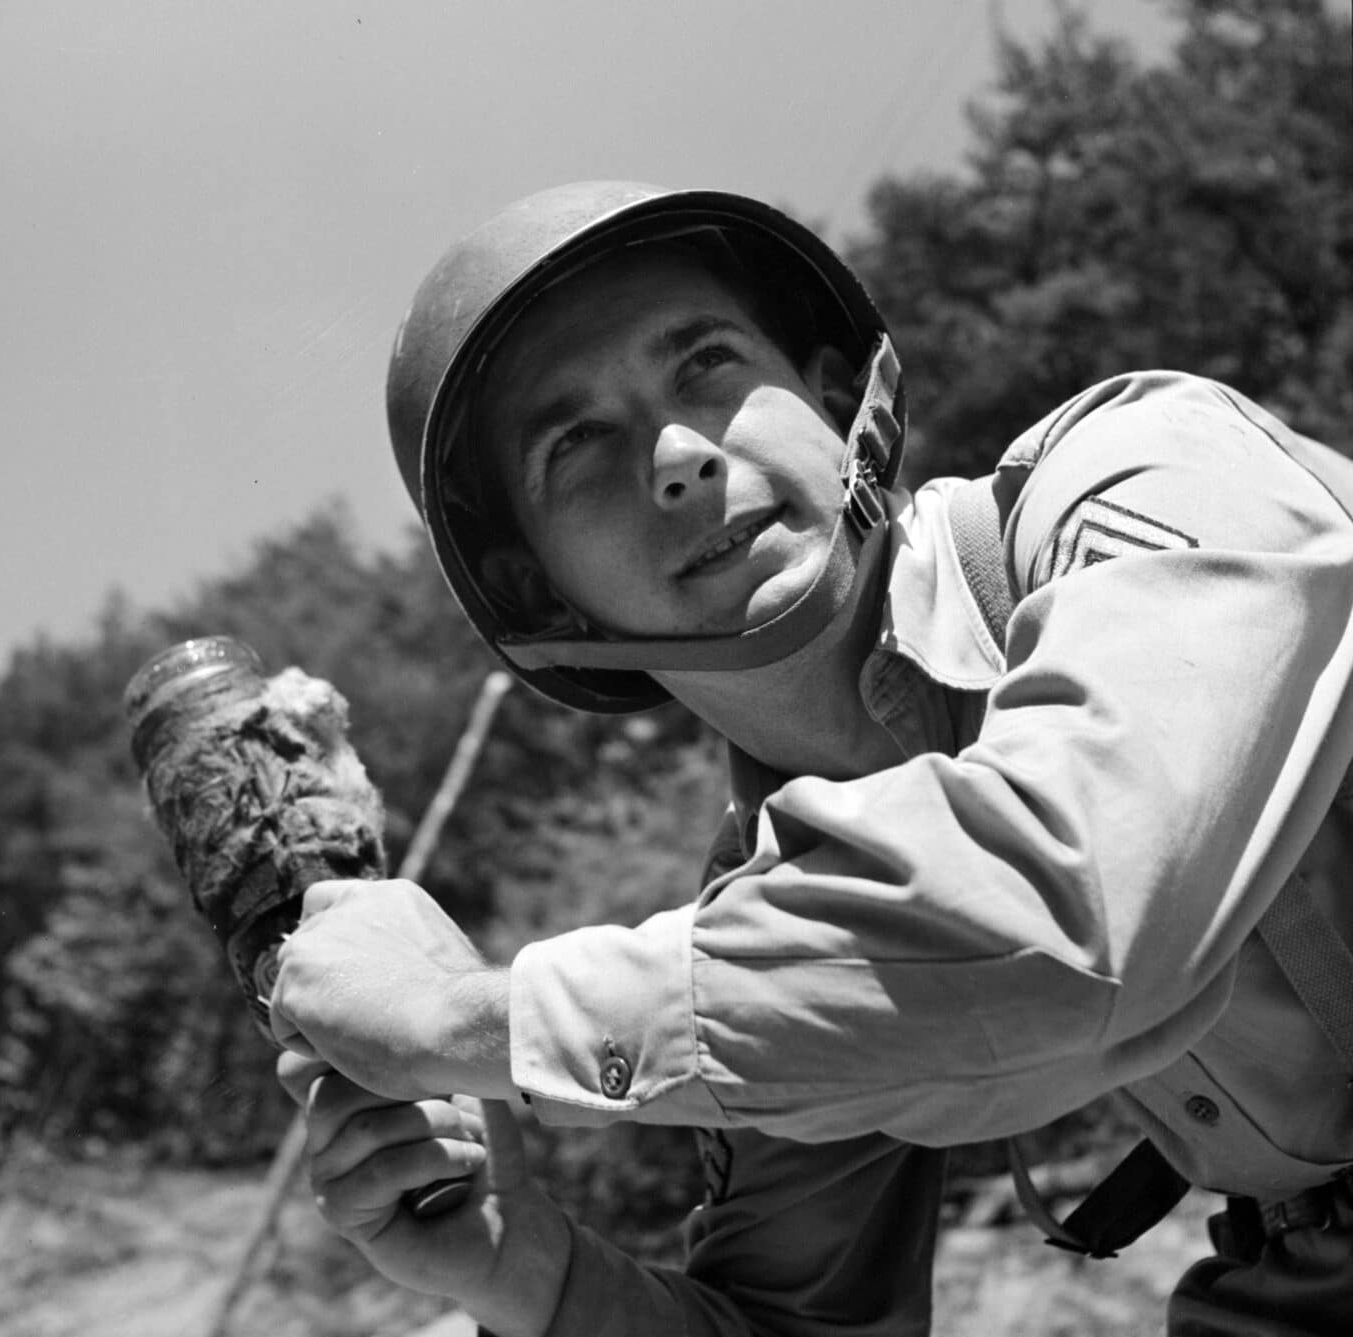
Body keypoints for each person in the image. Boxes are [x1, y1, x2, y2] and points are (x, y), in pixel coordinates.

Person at [268, 181, 1353, 1335]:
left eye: (707, 365)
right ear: (536, 589)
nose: (679, 455)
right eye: (576, 442)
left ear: (836, 401)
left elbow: (1083, 919)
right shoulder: (774, 932)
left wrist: (466, 1017)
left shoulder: (1142, 463)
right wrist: (521, 1266)